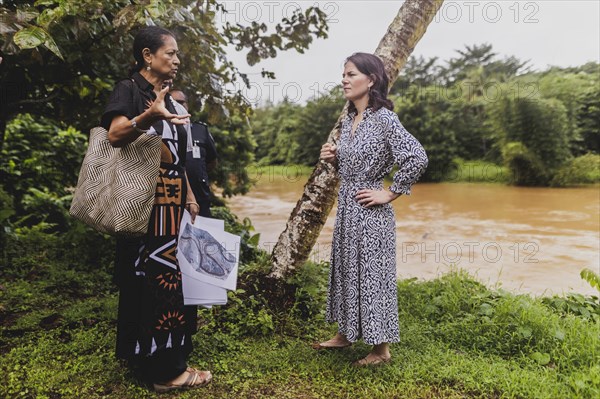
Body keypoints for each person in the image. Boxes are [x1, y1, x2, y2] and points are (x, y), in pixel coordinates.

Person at [100, 26, 212, 392]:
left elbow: (179, 160)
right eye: (171, 53)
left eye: (178, 54)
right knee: (154, 284)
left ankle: (155, 359)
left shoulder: (170, 99)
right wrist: (150, 115)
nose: (177, 60)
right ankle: (166, 373)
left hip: (173, 205)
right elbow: (115, 135)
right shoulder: (129, 90)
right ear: (148, 55)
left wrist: (191, 196)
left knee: (169, 284)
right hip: (145, 205)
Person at [316, 52, 428, 366]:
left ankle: (381, 351)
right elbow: (351, 166)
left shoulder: (384, 119)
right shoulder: (349, 119)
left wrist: (390, 193)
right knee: (347, 270)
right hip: (348, 208)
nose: (344, 80)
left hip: (370, 213)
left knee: (372, 276)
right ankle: (346, 333)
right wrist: (335, 158)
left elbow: (416, 157)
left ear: (371, 79)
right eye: (344, 74)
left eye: (351, 74)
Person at [170, 89, 218, 217]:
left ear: (187, 105)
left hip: (200, 196)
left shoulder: (200, 129)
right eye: (173, 103)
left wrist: (198, 173)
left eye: (181, 102)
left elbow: (212, 161)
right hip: (172, 196)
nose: (178, 106)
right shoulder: (163, 129)